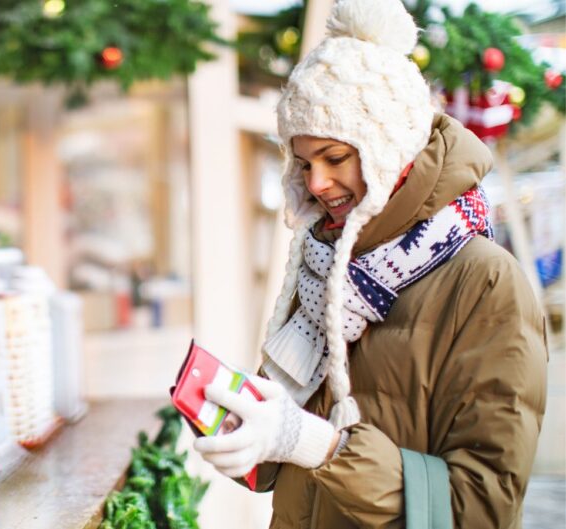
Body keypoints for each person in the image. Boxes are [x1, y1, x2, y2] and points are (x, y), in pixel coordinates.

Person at [192, 0, 548, 527]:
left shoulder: (486, 281)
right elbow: (279, 466)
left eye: (335, 158)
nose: (316, 183)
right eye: (305, 162)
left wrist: (322, 446)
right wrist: (248, 428)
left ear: (390, 148)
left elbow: (483, 506)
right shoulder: (323, 264)